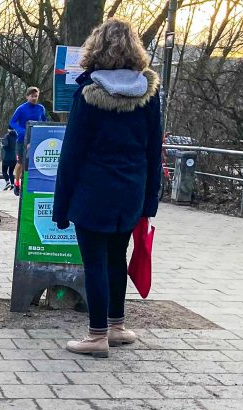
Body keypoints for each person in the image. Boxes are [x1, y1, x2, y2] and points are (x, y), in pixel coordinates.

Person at [52, 18, 162, 358]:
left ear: (96, 49)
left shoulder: (89, 95)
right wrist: (149, 201)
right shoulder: (148, 95)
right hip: (130, 192)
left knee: (95, 262)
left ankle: (96, 335)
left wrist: (61, 207)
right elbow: (153, 151)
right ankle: (116, 326)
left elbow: (71, 155)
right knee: (116, 256)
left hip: (92, 192)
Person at [9, 86, 48, 196]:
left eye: (36, 96)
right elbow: (12, 122)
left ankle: (31, 184)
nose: (34, 98)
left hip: (36, 140)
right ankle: (16, 184)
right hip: (22, 140)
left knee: (33, 163)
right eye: (32, 96)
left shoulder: (41, 108)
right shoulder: (21, 109)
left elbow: (44, 121)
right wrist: (22, 131)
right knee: (20, 163)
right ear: (27, 96)